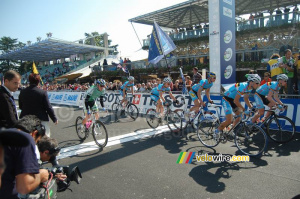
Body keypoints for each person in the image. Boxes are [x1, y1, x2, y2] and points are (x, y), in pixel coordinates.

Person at [0, 115, 49, 198]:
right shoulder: (25, 138)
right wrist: (41, 176)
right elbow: (24, 187)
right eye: (36, 142)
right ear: (35, 133)